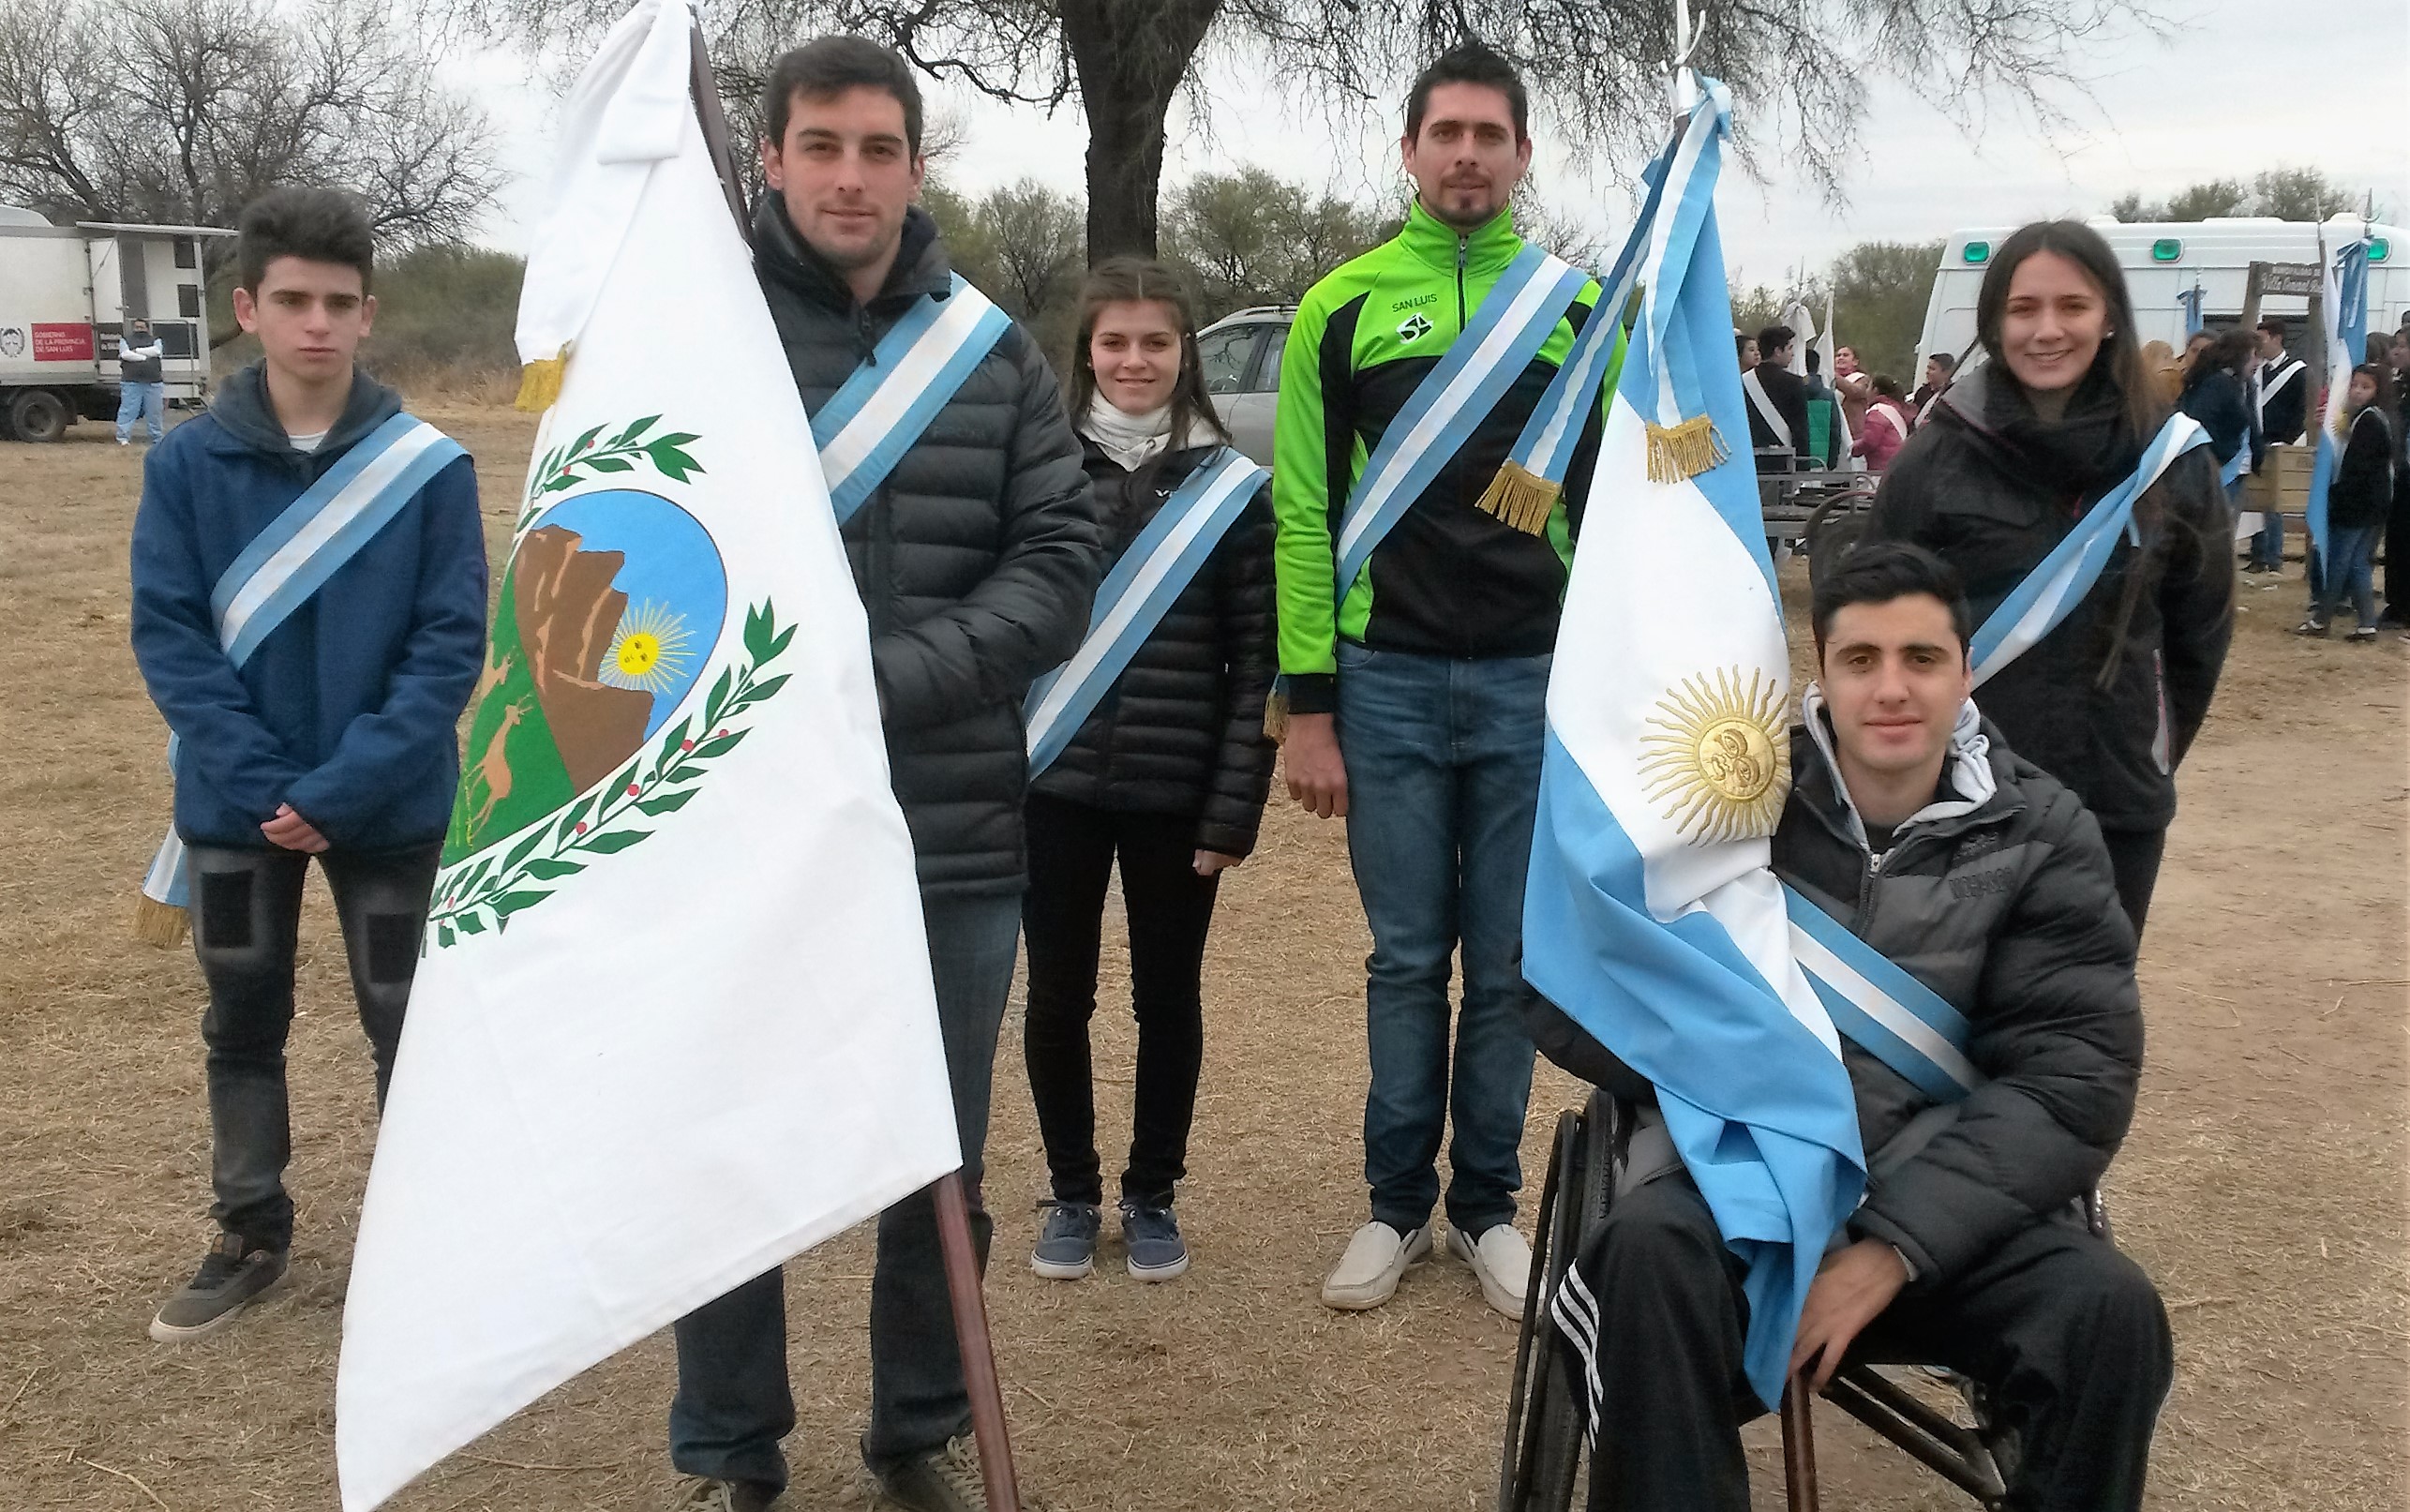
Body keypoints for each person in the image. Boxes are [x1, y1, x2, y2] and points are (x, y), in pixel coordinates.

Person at [666, 37, 1098, 1512]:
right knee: (730, 1158)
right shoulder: (696, 339)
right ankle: (732, 1451)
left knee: (940, 1158)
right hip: (741, 828)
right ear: (770, 160)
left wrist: (876, 684)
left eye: (878, 149)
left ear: (917, 167)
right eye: (821, 147)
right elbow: (631, 561)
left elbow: (1055, 566)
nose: (850, 177)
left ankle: (915, 1432)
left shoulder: (992, 349)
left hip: (952, 825)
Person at [1557, 542, 2168, 1512]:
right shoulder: (1718, 797)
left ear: (1965, 670)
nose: (1892, 688)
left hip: (1939, 1220)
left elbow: (2071, 1079)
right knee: (1641, 1257)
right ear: (1821, 671)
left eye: (1921, 659)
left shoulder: (2044, 833)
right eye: (1861, 659)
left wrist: (1887, 1248)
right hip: (1739, 1198)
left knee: (2112, 1313)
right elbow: (1562, 991)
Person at [1272, 37, 1619, 1322]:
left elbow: (1631, 498)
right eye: (1445, 133)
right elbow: (1302, 514)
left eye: (1489, 134)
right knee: (1407, 958)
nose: (1466, 153)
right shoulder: (1339, 307)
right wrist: (1309, 704)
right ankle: (1391, 1205)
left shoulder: (1582, 312)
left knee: (1509, 966)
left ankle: (1485, 1208)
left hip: (1535, 683)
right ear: (1408, 150)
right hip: (1390, 686)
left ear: (1522, 156)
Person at [129, 187, 486, 1341]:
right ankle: (248, 1227)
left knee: (407, 1021)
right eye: (293, 300)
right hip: (236, 806)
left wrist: (336, 788)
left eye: (339, 302)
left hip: (386, 807)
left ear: (368, 314)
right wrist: (261, 778)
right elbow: (170, 633)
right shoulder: (186, 466)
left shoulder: (427, 469)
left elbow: (448, 647)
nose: (317, 323)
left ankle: (431, 1234)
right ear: (249, 307)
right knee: (242, 1015)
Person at [1863, 218, 2232, 936]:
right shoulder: (1935, 457)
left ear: (2109, 320)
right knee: (1954, 1007)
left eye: (2072, 306)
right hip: (1962, 794)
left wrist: (2146, 746)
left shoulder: (2172, 459)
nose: (2046, 329)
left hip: (2115, 795)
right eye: (2023, 308)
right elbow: (1870, 618)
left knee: (2086, 1012)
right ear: (1994, 323)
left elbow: (2199, 635)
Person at [1022, 258, 1277, 1286]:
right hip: (1054, 783)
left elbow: (1257, 661)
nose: (1136, 361)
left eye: (1157, 342)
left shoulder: (1232, 490)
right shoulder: (1039, 469)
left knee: (1168, 999)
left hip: (1178, 794)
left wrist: (1233, 809)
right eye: (1115, 341)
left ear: (1186, 355)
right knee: (1057, 997)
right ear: (1087, 350)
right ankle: (1074, 1192)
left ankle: (1152, 1191)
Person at [2297, 363, 2395, 641]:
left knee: (2339, 563)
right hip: (2373, 503)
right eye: (2354, 385)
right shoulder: (2372, 418)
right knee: (2357, 565)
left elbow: (2359, 466)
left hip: (2358, 504)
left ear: (2378, 390)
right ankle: (2366, 624)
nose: (2357, 392)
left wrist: (2335, 497)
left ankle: (2321, 620)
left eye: (2365, 387)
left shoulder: (2369, 420)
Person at [2247, 318, 2310, 574]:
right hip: (2256, 441)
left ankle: (2273, 556)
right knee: (2254, 500)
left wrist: (2289, 439)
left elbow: (2301, 409)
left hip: (2281, 441)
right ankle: (2257, 554)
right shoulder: (2256, 370)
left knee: (2275, 503)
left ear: (2277, 338)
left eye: (2262, 339)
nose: (2259, 345)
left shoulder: (2298, 371)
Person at [2178, 326, 2256, 494]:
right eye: (2253, 356)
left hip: (2230, 469)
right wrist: (2222, 454)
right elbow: (2201, 422)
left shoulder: (2238, 384)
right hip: (2214, 470)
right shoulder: (2218, 383)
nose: (2256, 362)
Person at [1744, 323, 1813, 472]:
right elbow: (1800, 429)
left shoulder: (1742, 382)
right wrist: (1803, 467)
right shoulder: (1794, 383)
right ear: (1777, 351)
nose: (1792, 354)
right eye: (1789, 348)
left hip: (1750, 463)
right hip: (1784, 464)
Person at [115, 316, 166, 444]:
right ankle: (123, 438)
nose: (139, 329)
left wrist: (136, 351)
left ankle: (156, 438)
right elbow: (125, 354)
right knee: (127, 411)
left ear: (147, 329)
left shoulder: (156, 340)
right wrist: (145, 357)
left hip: (153, 382)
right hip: (131, 381)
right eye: (136, 327)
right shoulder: (125, 340)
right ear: (133, 328)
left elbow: (157, 351)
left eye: (142, 327)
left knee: (154, 412)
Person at [1850, 373, 1913, 472]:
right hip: (1896, 464)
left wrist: (1851, 449)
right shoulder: (1897, 409)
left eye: (1868, 387)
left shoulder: (1877, 411)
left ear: (1875, 390)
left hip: (1880, 467)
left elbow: (1869, 442)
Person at [1832, 343, 1874, 439]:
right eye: (1838, 355)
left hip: (1853, 432)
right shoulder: (1828, 379)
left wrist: (1834, 376)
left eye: (1845, 355)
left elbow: (1855, 391)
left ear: (1855, 362)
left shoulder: (1863, 379)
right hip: (1834, 429)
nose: (1840, 358)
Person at [1908, 350, 1955, 421]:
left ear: (1946, 373)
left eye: (1932, 369)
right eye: (1928, 367)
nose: (1927, 372)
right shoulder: (1923, 391)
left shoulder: (1950, 396)